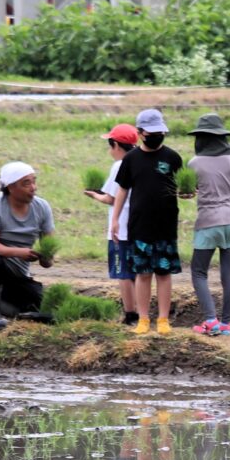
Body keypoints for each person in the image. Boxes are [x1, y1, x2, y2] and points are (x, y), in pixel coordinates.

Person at [110, 109, 184, 335]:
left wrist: (188, 193)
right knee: (142, 274)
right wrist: (115, 219)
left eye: (160, 132)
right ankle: (143, 318)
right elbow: (122, 189)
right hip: (139, 225)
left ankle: (163, 319)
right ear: (141, 133)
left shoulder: (172, 158)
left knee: (163, 273)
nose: (156, 135)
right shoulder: (131, 159)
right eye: (152, 132)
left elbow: (183, 186)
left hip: (165, 225)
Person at [0, 161, 55, 331]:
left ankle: (10, 309)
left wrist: (46, 256)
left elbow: (49, 256)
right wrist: (18, 252)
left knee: (47, 306)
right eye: (26, 183)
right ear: (10, 187)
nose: (33, 187)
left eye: (34, 181)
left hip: (18, 275)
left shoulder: (42, 207)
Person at [186, 114, 230, 336]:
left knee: (199, 271)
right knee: (228, 271)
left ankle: (211, 321)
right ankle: (226, 324)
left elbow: (191, 190)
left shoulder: (195, 163)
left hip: (208, 222)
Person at [83, 122, 140, 324]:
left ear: (116, 145)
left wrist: (95, 195)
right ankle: (141, 314)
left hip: (120, 230)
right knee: (138, 272)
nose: (110, 151)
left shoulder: (119, 165)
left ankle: (131, 314)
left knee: (123, 272)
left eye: (110, 145)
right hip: (140, 228)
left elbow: (111, 198)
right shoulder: (142, 161)